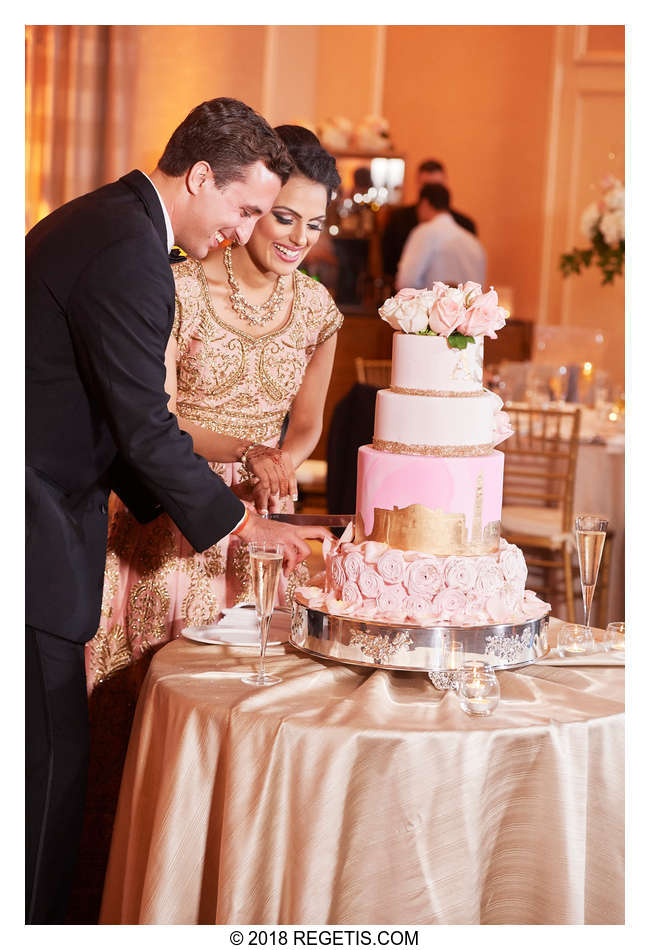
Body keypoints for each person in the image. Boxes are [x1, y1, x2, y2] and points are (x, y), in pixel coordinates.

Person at [26, 97, 331, 924]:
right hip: (34, 529)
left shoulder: (110, 225)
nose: (244, 229)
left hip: (47, 518)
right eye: (243, 208)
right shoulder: (131, 251)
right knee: (48, 777)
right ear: (200, 176)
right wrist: (244, 525)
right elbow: (145, 422)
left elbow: (113, 419)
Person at [85, 125, 342, 691]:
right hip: (169, 506)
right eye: (284, 217)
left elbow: (307, 424)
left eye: (316, 224)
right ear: (251, 209)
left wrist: (279, 466)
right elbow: (158, 420)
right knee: (151, 686)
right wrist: (248, 453)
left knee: (242, 693)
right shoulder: (178, 285)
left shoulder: (318, 309)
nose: (300, 238)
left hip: (261, 523)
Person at [381, 159, 477, 280]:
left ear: (445, 183)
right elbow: (389, 266)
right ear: (417, 184)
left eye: (437, 186)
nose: (432, 192)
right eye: (427, 186)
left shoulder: (465, 224)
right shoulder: (398, 220)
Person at [395, 183, 486, 289]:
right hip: (470, 305)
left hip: (433, 304)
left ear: (424, 204)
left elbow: (406, 282)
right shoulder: (473, 242)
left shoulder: (424, 232)